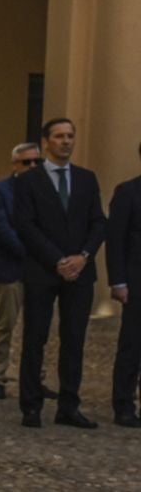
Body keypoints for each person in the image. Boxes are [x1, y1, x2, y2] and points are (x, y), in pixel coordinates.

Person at [14, 115, 107, 429]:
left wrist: (81, 257)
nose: (66, 141)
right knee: (35, 337)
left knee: (74, 339)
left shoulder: (86, 178)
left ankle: (69, 405)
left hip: (80, 272)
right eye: (59, 136)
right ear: (46, 142)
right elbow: (25, 225)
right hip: (43, 269)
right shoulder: (29, 180)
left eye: (70, 136)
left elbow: (98, 222)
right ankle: (31, 406)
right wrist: (57, 260)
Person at [0, 143, 38, 400]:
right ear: (15, 164)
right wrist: (33, 252)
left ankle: (35, 377)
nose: (32, 167)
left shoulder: (46, 190)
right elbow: (0, 227)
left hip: (40, 270)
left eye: (37, 162)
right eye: (26, 162)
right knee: (4, 324)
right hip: (10, 267)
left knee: (38, 328)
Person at [108, 141, 141, 427]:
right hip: (136, 282)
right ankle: (123, 403)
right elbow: (116, 240)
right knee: (132, 345)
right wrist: (118, 281)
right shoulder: (128, 192)